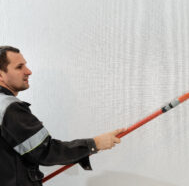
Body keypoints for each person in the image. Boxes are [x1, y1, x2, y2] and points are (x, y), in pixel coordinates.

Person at [0, 46, 126, 186]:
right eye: (19, 67)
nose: (28, 72)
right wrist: (95, 144)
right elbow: (45, 151)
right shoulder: (9, 109)